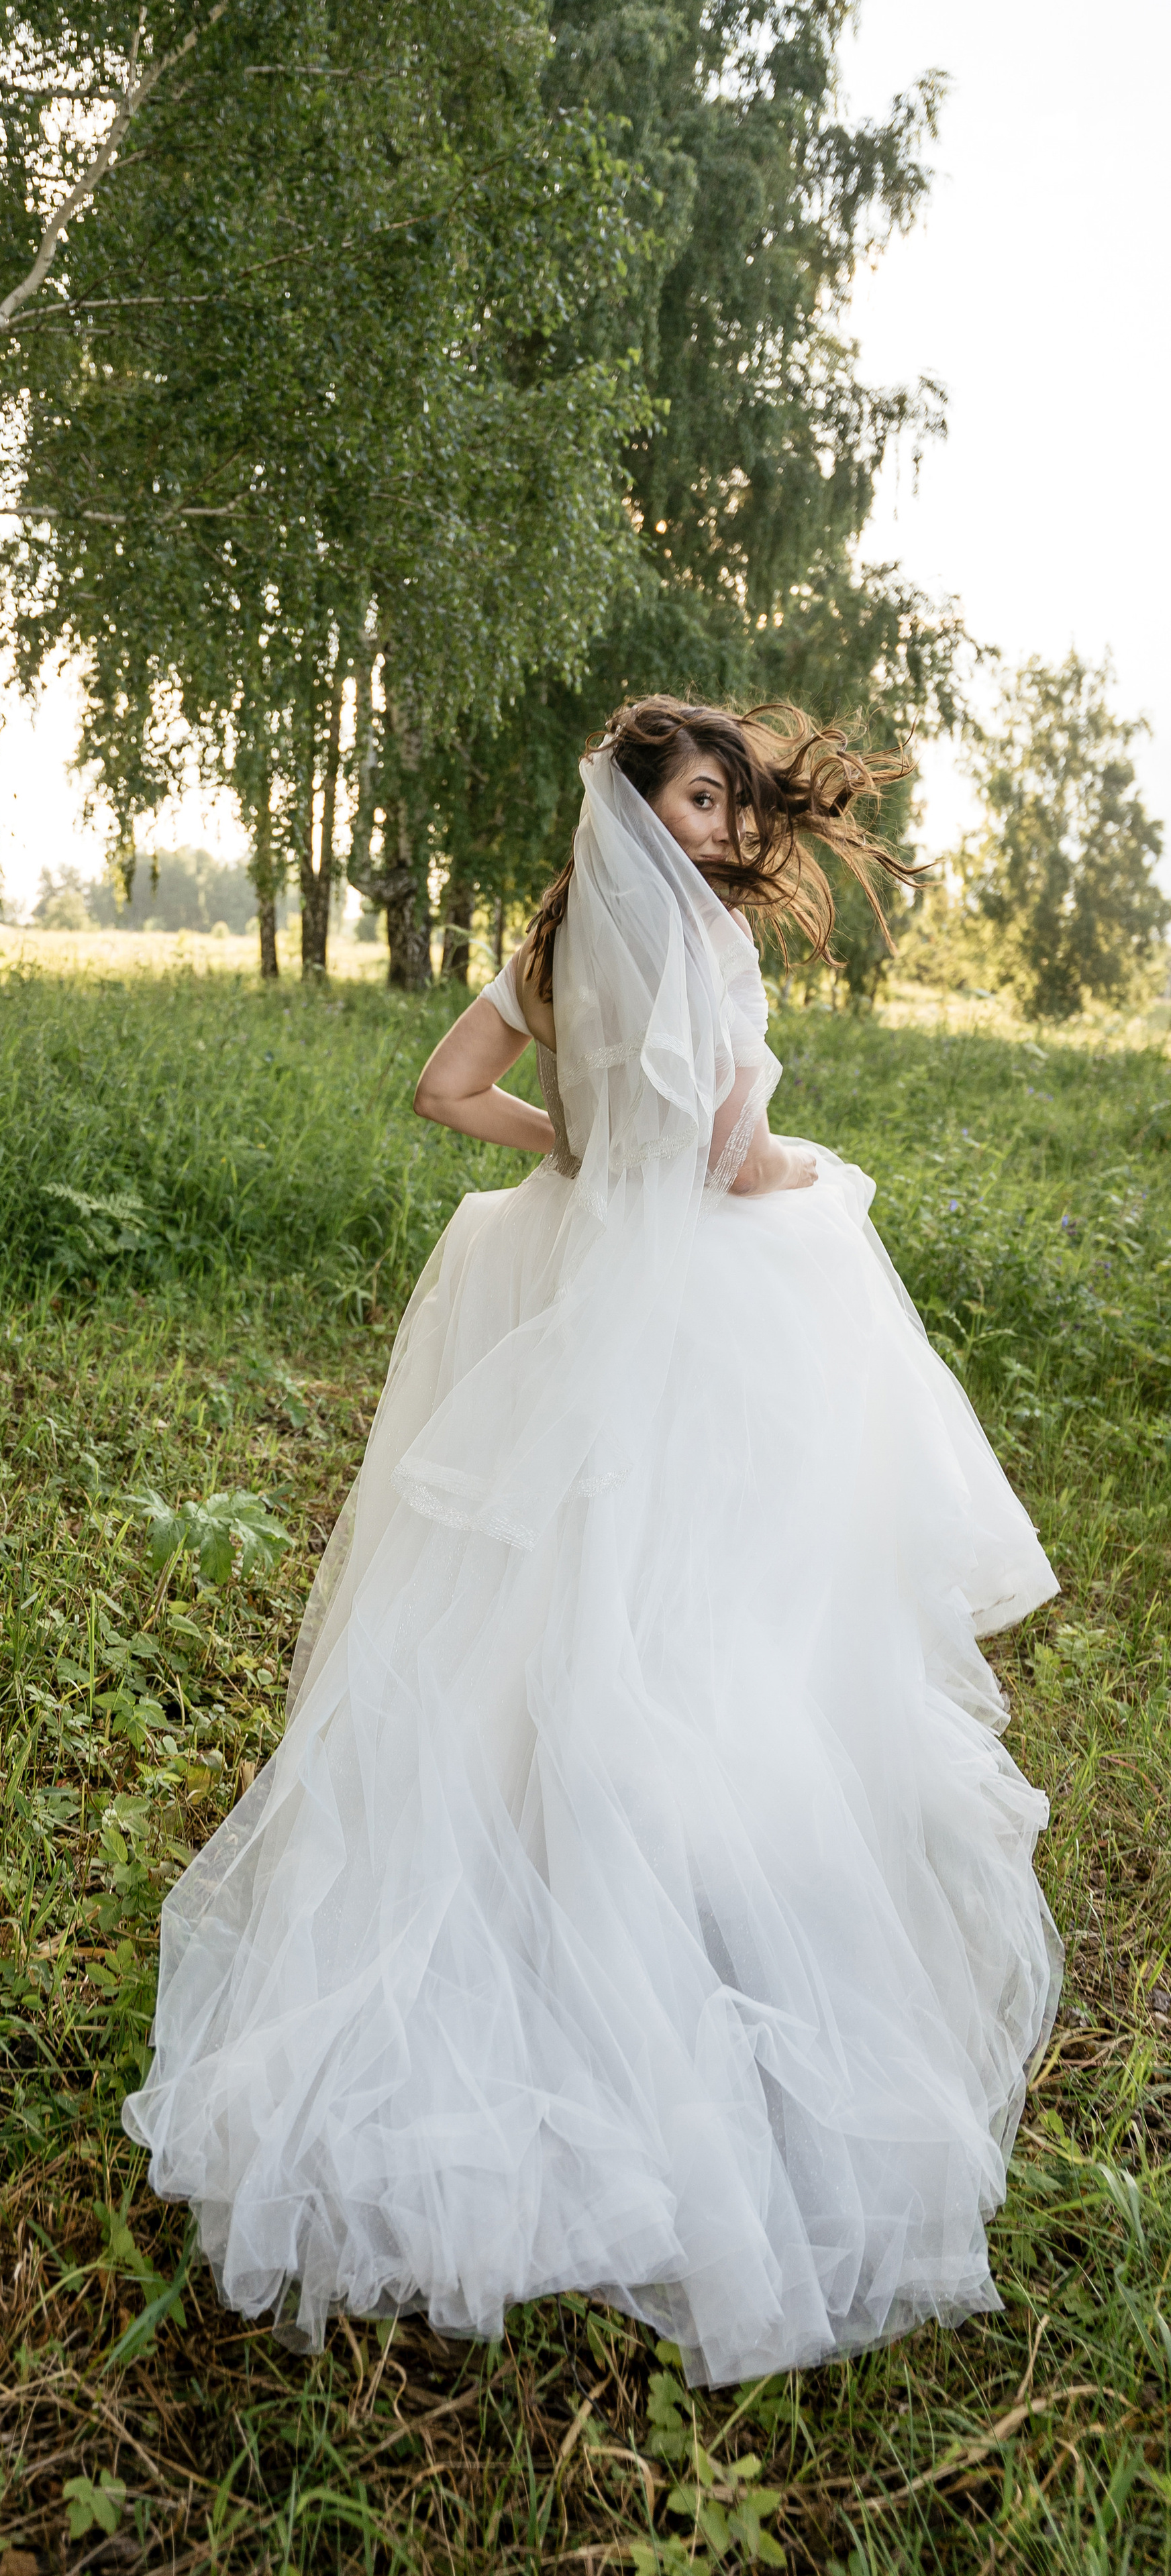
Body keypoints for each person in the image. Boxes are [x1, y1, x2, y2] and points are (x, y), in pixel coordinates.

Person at [123, 696, 1062, 2387]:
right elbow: (727, 1157)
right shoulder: (704, 947)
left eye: (731, 801)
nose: (724, 827)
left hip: (561, 1275)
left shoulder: (549, 950)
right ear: (639, 804)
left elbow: (443, 1092)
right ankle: (676, 1908)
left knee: (552, 1596)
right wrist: (807, 1183)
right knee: (697, 1606)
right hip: (684, 1293)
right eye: (700, 797)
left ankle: (563, 1862)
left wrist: (563, 1149)